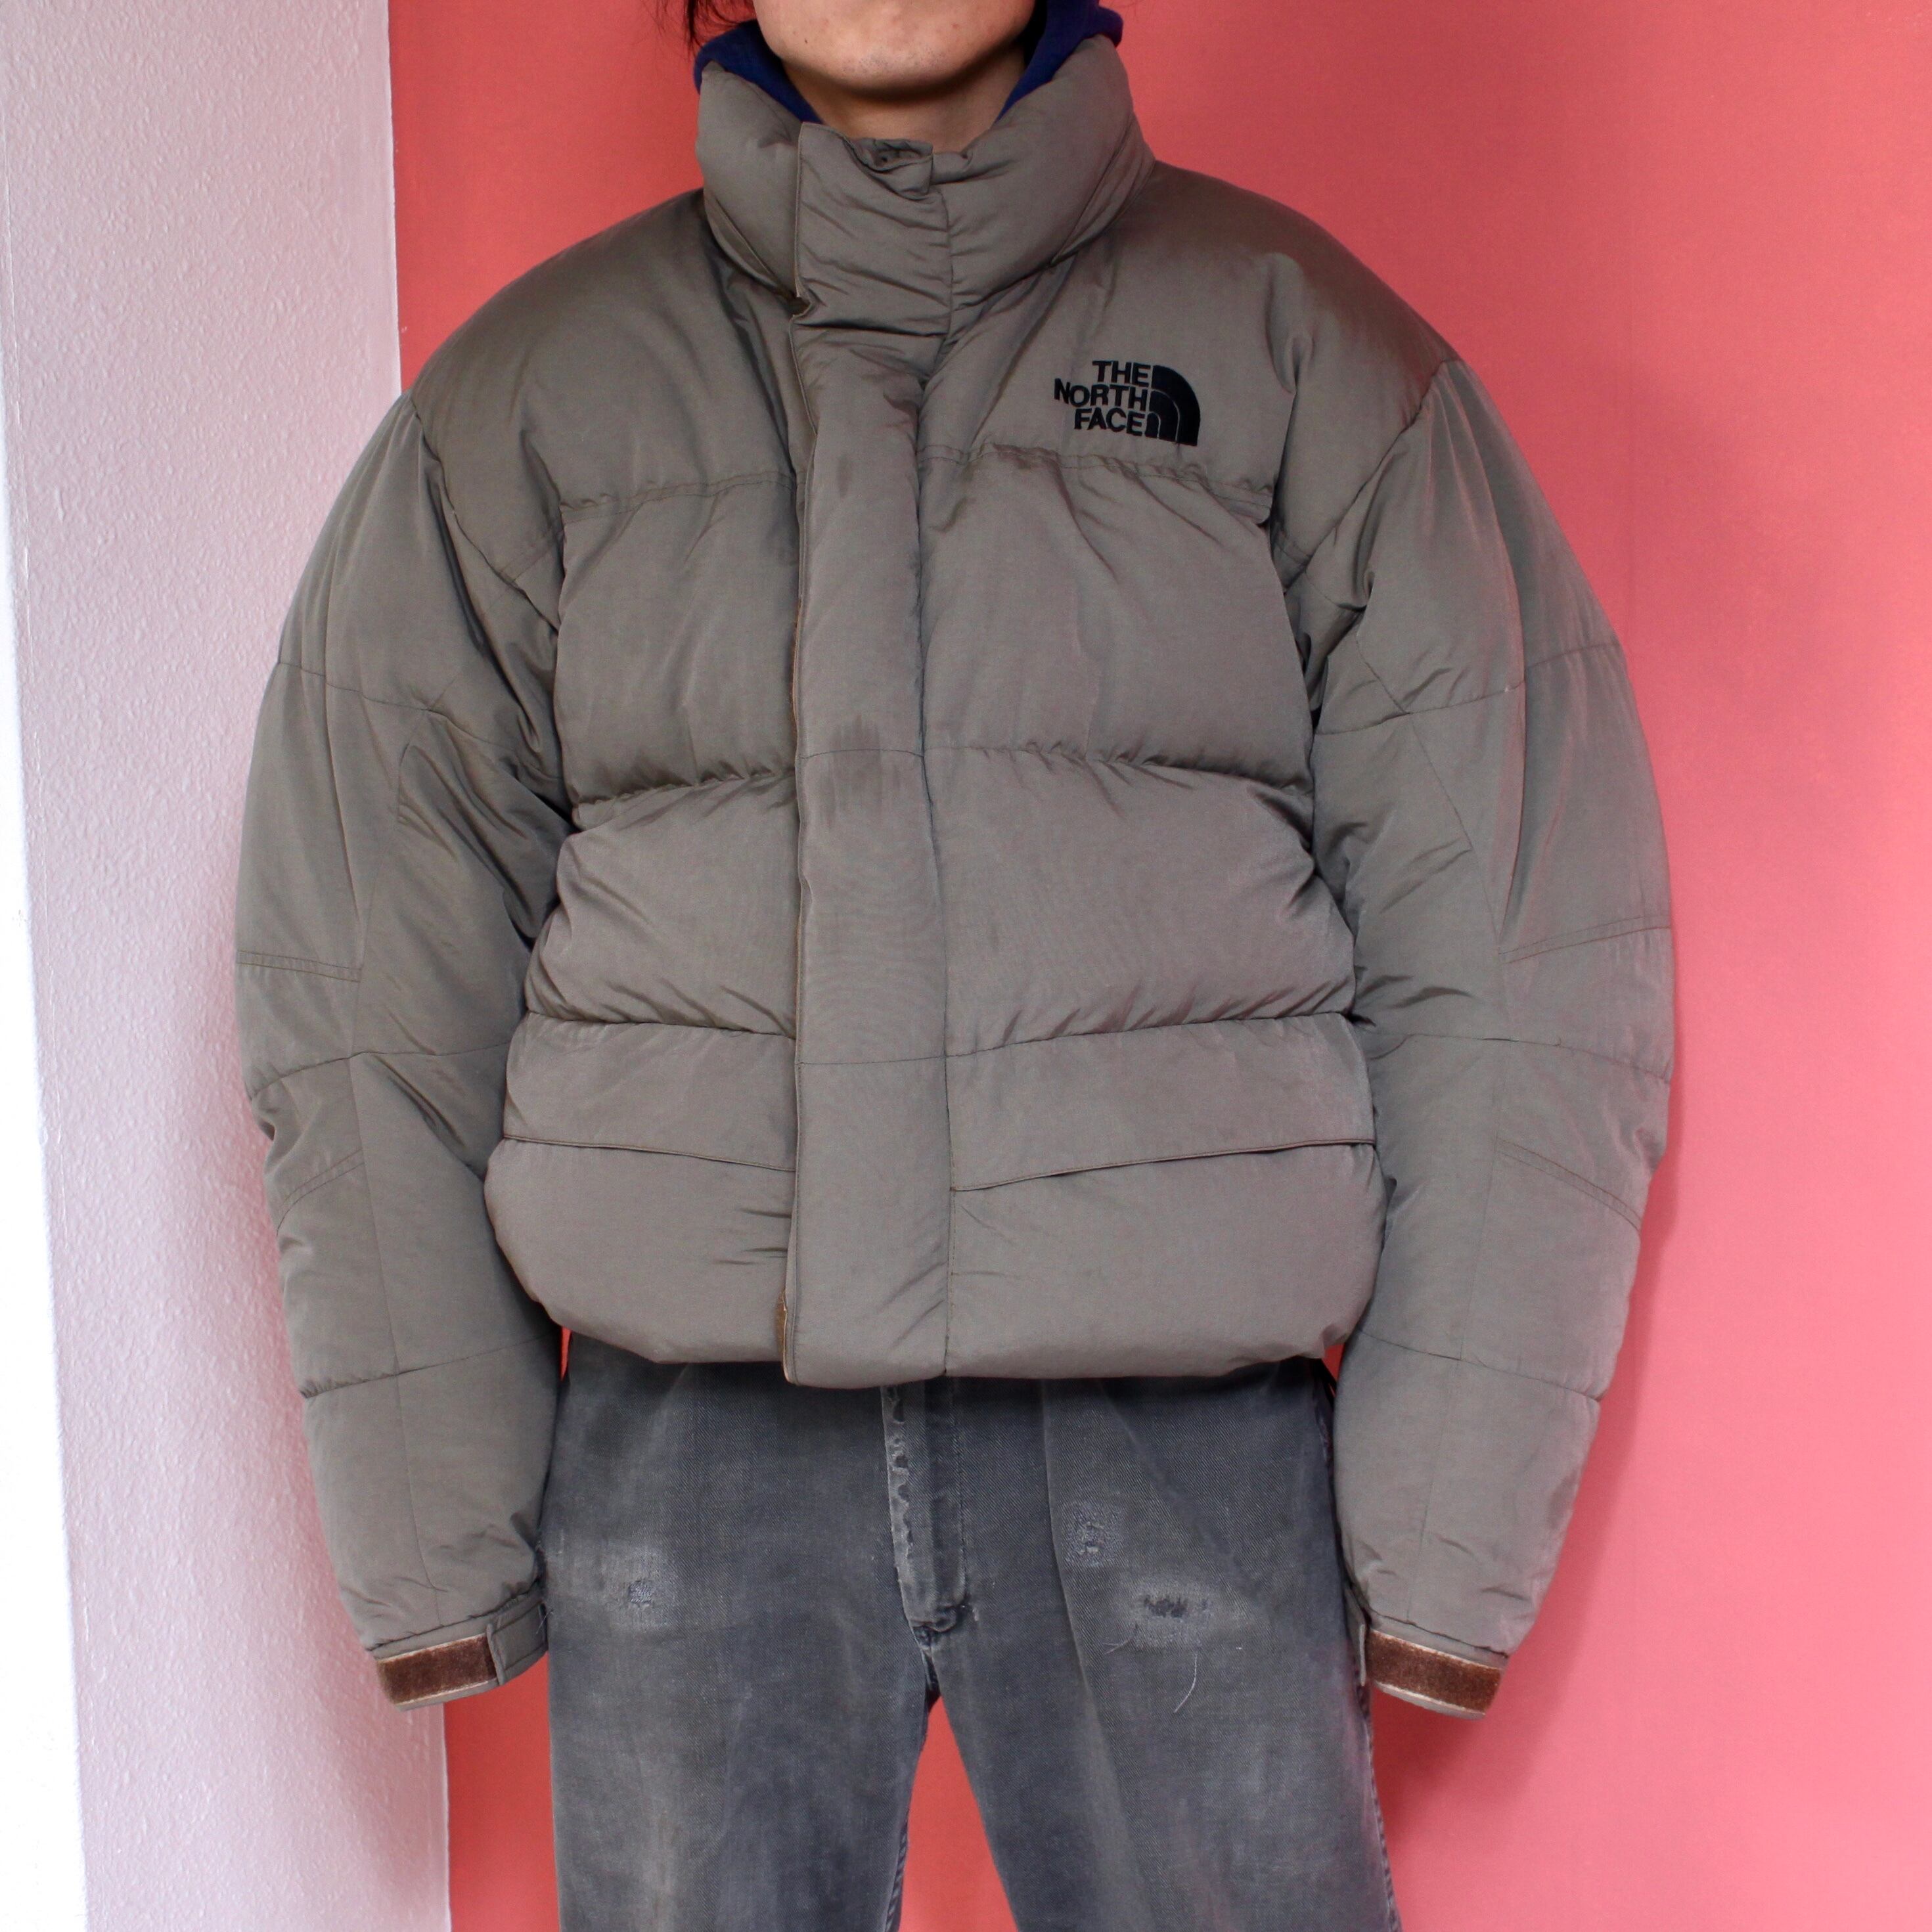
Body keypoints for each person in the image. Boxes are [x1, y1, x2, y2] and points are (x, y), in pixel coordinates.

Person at [235, 1, 1673, 1923]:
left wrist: (1445, 1522)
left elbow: (1521, 945)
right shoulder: (530, 405)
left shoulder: (1302, 356)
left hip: (1182, 1429)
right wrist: (439, 1522)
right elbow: (366, 969)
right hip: (689, 1439)